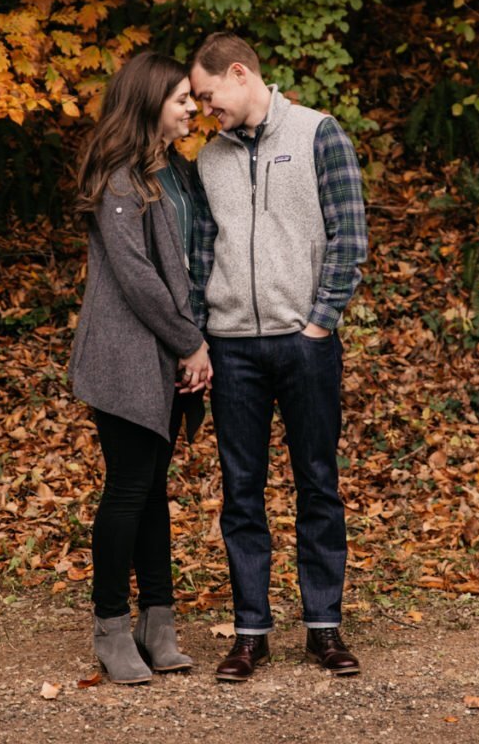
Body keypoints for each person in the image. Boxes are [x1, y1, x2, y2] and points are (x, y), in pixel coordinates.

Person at [188, 33, 368, 681]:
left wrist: (319, 325)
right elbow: (200, 253)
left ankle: (323, 627)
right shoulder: (207, 158)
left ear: (239, 74)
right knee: (241, 492)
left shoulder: (320, 134)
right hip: (232, 350)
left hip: (305, 343)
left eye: (210, 97)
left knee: (317, 482)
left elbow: (349, 235)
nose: (206, 111)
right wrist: (200, 334)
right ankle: (249, 632)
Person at [69, 51, 212, 685]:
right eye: (181, 98)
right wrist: (190, 343)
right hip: (128, 356)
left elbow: (185, 263)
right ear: (149, 101)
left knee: (154, 492)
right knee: (129, 490)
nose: (190, 108)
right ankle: (110, 628)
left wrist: (190, 343)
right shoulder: (120, 177)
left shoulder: (169, 172)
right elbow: (137, 278)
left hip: (166, 354)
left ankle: (159, 622)